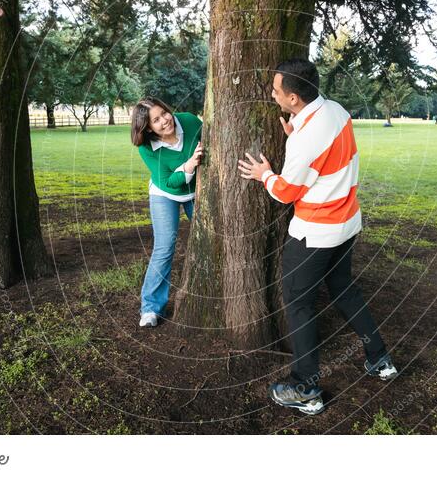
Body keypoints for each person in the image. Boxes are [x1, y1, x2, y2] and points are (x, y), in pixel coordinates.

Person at [238, 58, 396, 416]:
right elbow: (326, 156)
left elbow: (286, 192)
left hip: (315, 233)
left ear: (293, 98)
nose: (273, 94)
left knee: (298, 303)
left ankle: (305, 387)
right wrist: (298, 139)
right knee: (344, 290)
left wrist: (265, 174)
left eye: (276, 90)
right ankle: (379, 358)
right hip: (347, 224)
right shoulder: (336, 112)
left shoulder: (305, 140)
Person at [131, 98, 203, 328]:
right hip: (165, 194)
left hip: (198, 192)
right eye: (156, 120)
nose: (165, 120)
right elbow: (171, 182)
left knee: (210, 239)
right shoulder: (146, 148)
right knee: (164, 246)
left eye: (164, 113)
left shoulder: (190, 121)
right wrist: (190, 165)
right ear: (148, 128)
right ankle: (150, 308)